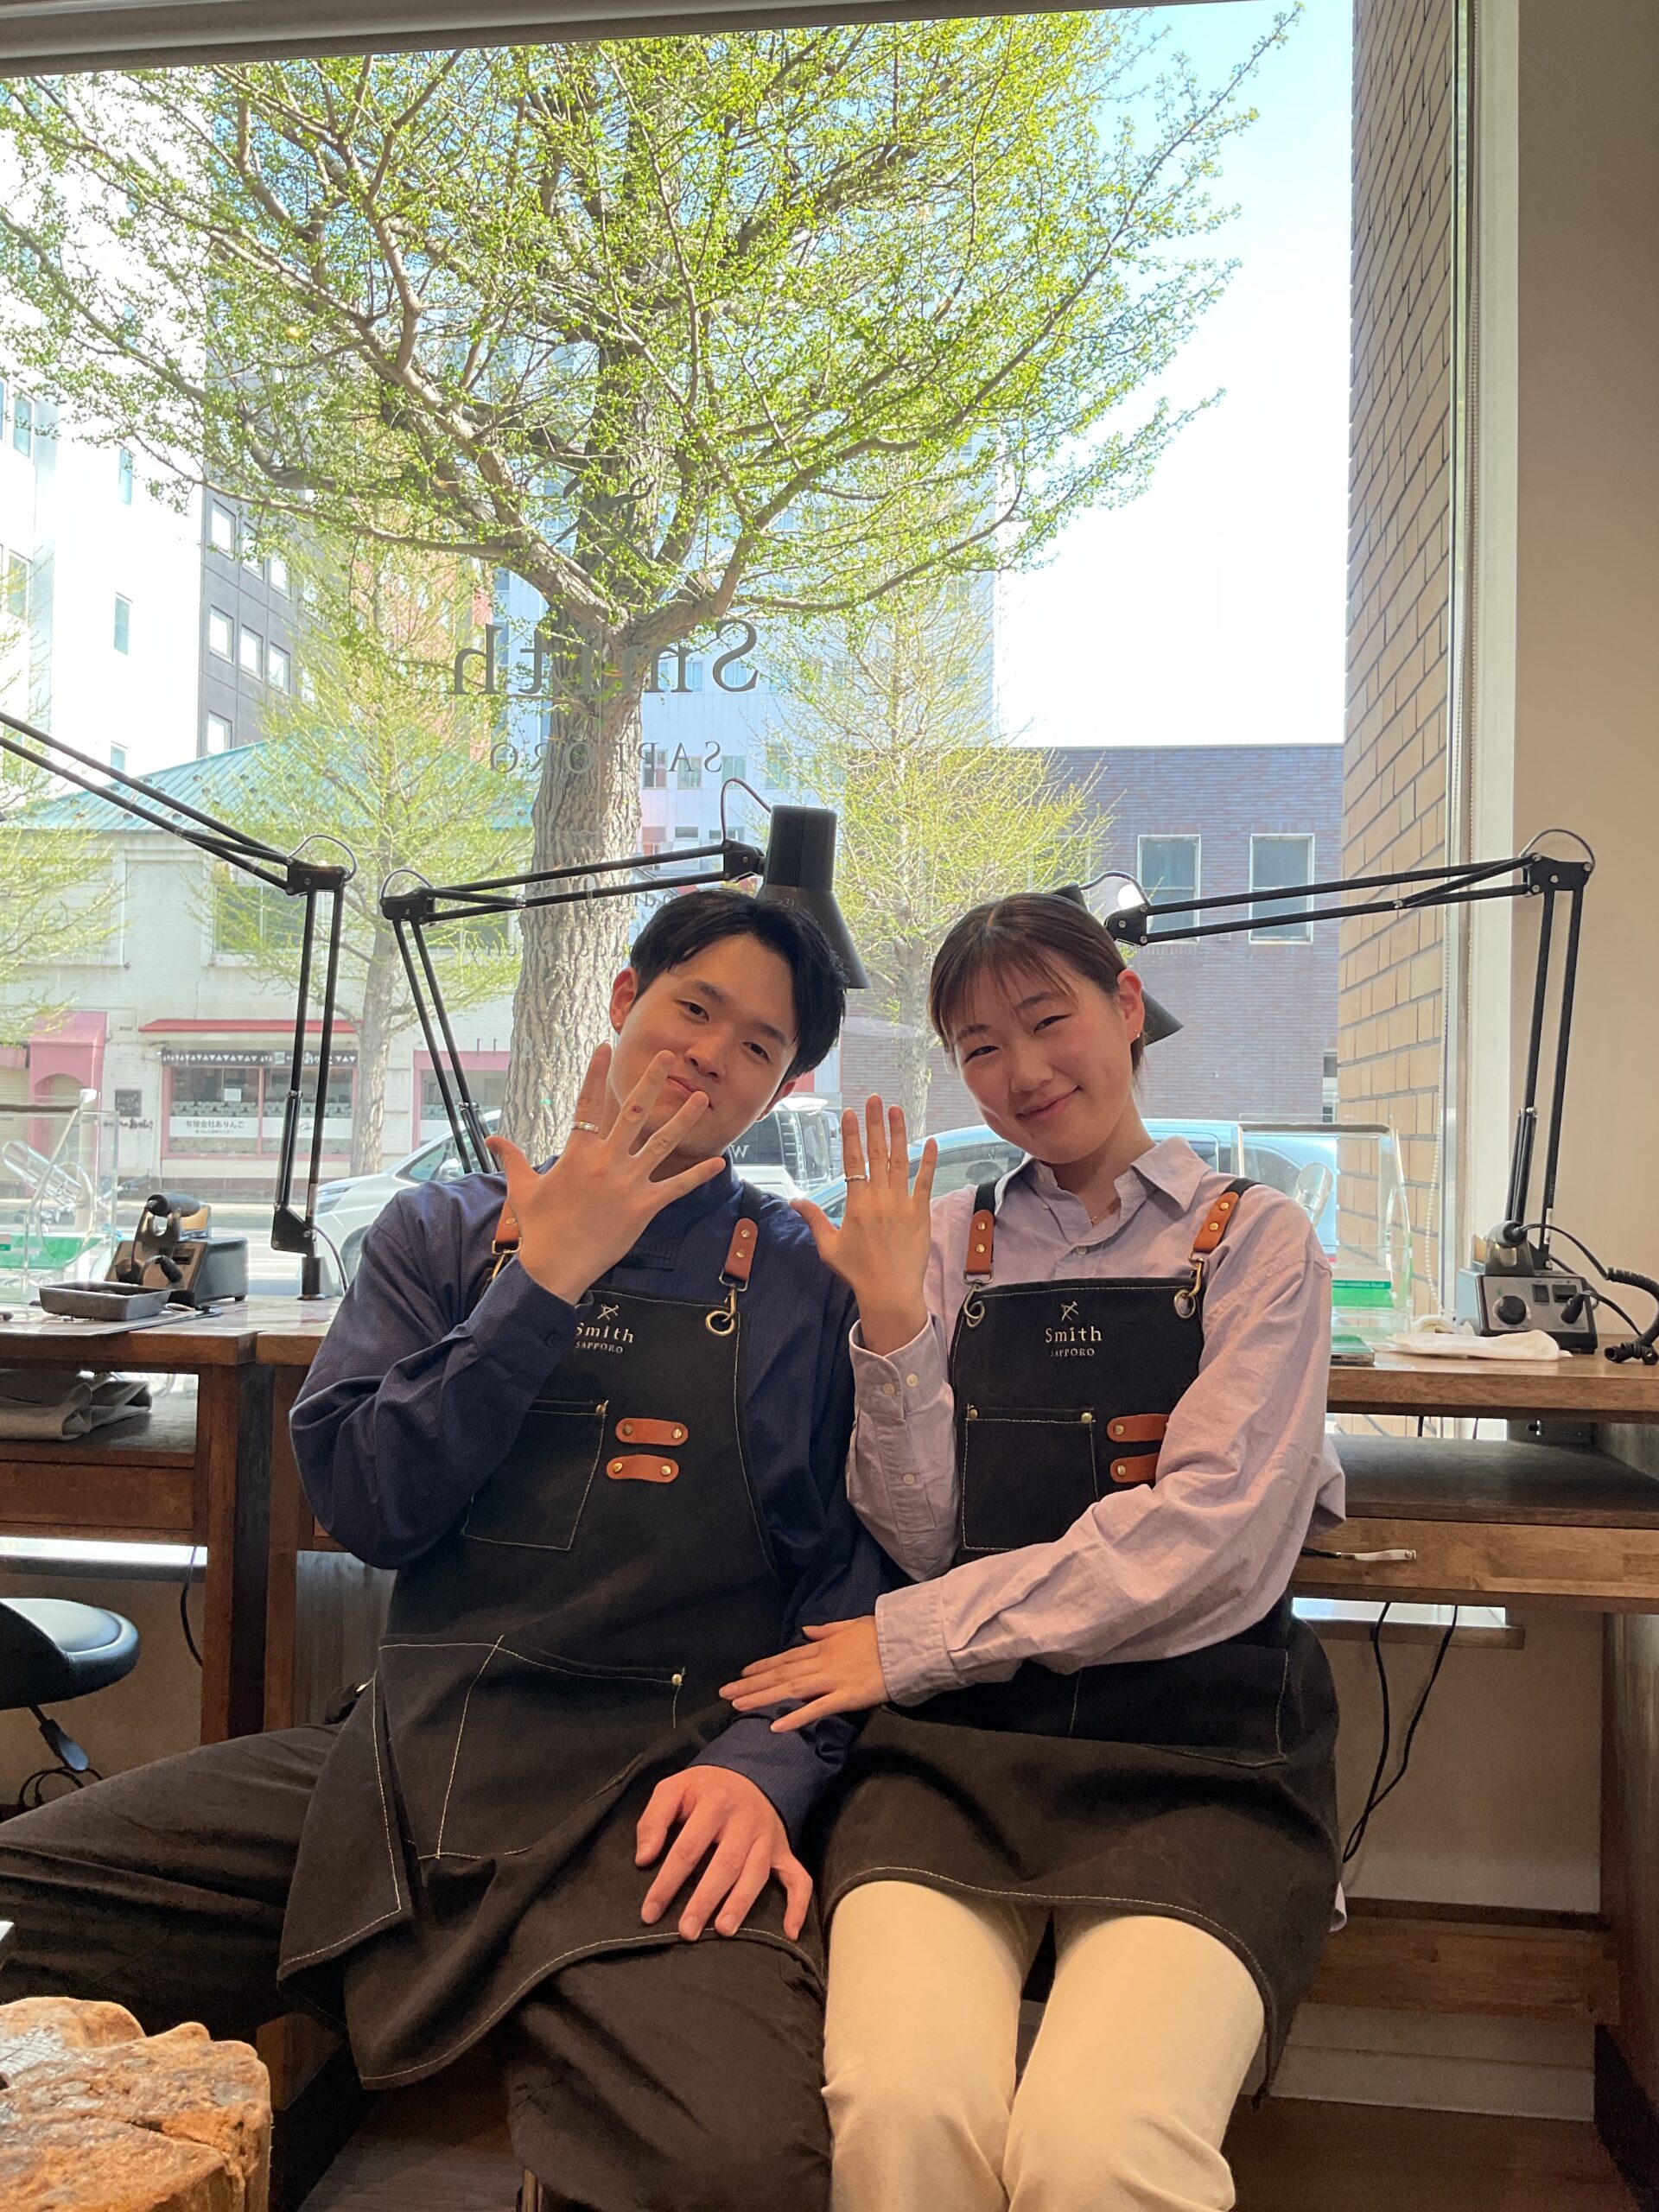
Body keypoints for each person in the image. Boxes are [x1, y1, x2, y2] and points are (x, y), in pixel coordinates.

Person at [0, 888, 887, 2212]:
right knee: (24, 1904)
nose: (711, 1052)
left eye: (758, 1044)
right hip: (412, 1762)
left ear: (784, 1084)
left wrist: (765, 1769)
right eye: (694, 1006)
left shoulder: (807, 1283)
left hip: (665, 1791)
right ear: (623, 999)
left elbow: (848, 1591)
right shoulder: (443, 1236)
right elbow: (370, 1506)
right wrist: (543, 1284)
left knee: (740, 2170)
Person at [727, 892, 1344, 2212]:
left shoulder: (1257, 1241)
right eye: (980, 1047)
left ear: (1125, 1007)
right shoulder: (946, 1241)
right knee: (902, 2106)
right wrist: (891, 1320)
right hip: (960, 1754)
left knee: (1098, 2148)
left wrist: (909, 1642)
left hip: (1200, 1758)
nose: (1022, 1071)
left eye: (1048, 1020)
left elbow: (1210, 1543)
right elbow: (921, 1532)